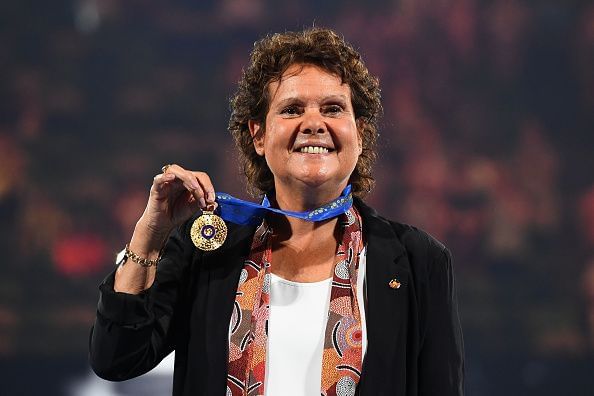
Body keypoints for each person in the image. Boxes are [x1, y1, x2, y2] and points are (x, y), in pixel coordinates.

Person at [89, 27, 464, 395]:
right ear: (259, 135)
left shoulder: (418, 262)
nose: (314, 123)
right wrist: (151, 235)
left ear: (360, 134)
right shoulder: (209, 250)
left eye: (333, 108)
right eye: (292, 109)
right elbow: (116, 357)